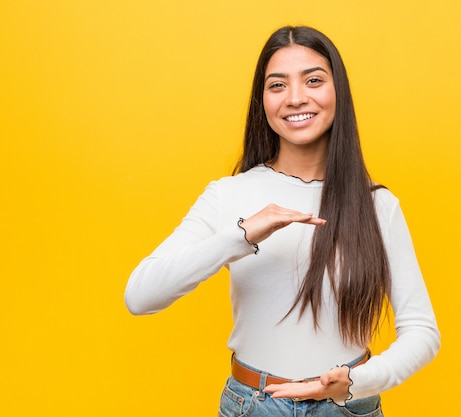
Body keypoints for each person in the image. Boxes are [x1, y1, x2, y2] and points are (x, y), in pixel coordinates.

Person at [125, 25, 440, 417]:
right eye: (277, 85)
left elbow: (423, 332)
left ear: (337, 91)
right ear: (263, 101)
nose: (295, 98)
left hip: (347, 408)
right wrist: (241, 235)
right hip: (252, 406)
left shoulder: (376, 205)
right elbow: (140, 296)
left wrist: (357, 381)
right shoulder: (228, 194)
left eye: (313, 81)